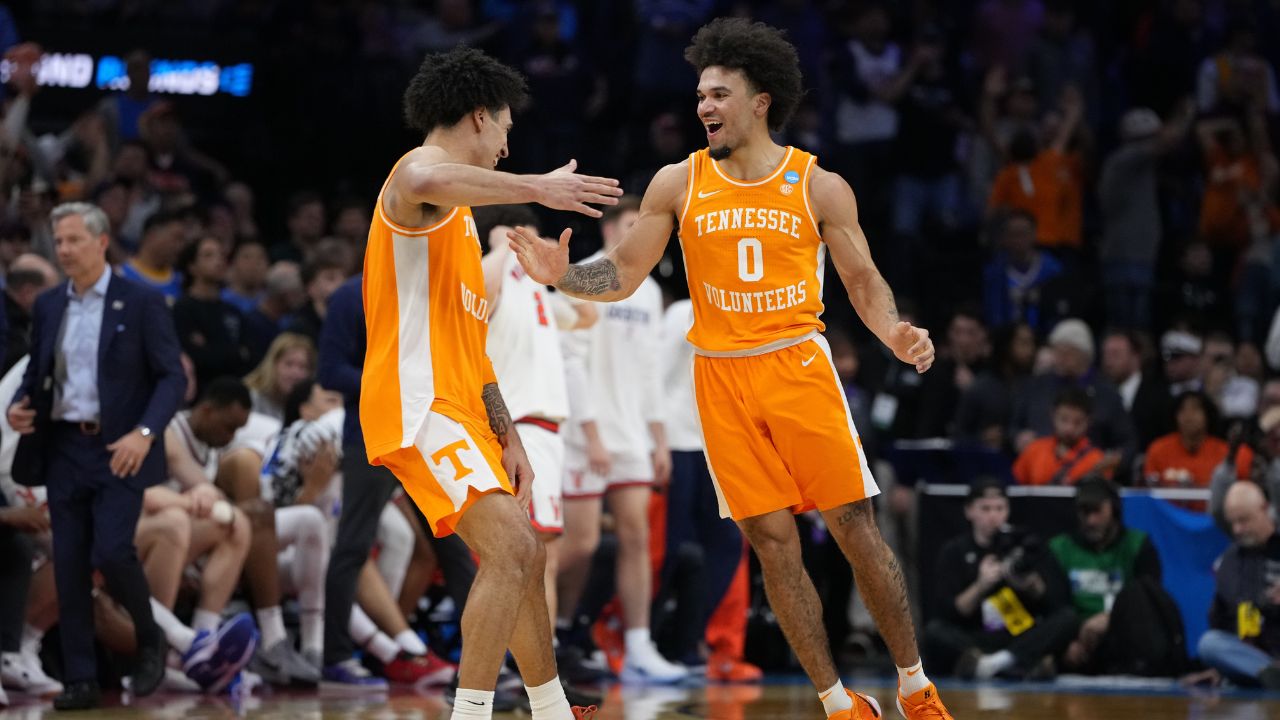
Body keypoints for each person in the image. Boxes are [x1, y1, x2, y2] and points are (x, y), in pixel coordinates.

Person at [509, 18, 951, 720]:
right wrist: (563, 277)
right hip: (720, 377)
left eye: (718, 94)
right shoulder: (678, 181)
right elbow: (622, 272)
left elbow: (863, 279)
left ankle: (914, 685)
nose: (704, 107)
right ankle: (838, 703)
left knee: (854, 526)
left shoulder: (818, 184)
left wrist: (894, 332)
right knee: (773, 546)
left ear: (760, 101)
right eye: (700, 96)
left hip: (797, 366)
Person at [359, 46, 620, 720]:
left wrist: (510, 437)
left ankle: (551, 708)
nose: (506, 147)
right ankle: (471, 713)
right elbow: (427, 175)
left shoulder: (464, 226)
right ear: (479, 116)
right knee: (512, 546)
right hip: (417, 403)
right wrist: (538, 188)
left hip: (465, 408)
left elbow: (474, 350)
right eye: (504, 128)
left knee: (526, 553)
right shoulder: (413, 176)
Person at [7, 202, 186, 710]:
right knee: (68, 564)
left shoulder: (142, 301)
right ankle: (81, 679)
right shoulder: (48, 305)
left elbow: (172, 377)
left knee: (111, 550)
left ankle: (148, 636)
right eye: (58, 241)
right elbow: (37, 372)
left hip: (119, 447)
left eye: (73, 240)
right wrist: (21, 405)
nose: (63, 250)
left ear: (101, 241)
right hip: (63, 445)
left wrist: (144, 433)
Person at [554, 197, 684, 684]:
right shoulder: (581, 276)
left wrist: (659, 439)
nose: (640, 234)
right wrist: (590, 433)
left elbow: (652, 372)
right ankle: (548, 631)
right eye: (632, 225)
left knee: (636, 537)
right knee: (580, 544)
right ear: (609, 229)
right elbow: (569, 360)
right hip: (582, 431)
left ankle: (638, 647)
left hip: (632, 434)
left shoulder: (648, 292)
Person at [926, 478, 1077, 680]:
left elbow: (1054, 602)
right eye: (985, 509)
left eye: (999, 508)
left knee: (1068, 618)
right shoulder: (954, 551)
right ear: (969, 511)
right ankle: (1017, 665)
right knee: (934, 632)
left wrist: (1030, 585)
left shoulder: (1026, 545)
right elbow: (949, 612)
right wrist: (980, 586)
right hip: (976, 636)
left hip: (1020, 635)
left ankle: (993, 665)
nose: (993, 516)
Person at [1048, 478, 1166, 673]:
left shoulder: (1138, 544)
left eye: (1097, 511)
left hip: (1125, 637)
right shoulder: (1060, 548)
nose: (1091, 521)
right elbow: (1055, 604)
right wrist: (1066, 642)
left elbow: (1151, 603)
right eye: (1085, 512)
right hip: (1076, 639)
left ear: (1114, 510)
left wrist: (1111, 618)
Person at [1198, 481, 1280, 688]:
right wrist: (1221, 666)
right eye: (1232, 523)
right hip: (1252, 653)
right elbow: (1219, 619)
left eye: (1243, 520)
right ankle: (1266, 672)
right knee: (1209, 643)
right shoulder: (1230, 560)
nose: (1237, 529)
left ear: (1264, 509)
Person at [1013, 388, 1106, 485]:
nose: (1069, 428)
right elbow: (1015, 485)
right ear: (1053, 415)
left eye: (1078, 422)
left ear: (1088, 422)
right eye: (1064, 419)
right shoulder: (1034, 449)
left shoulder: (1097, 460)